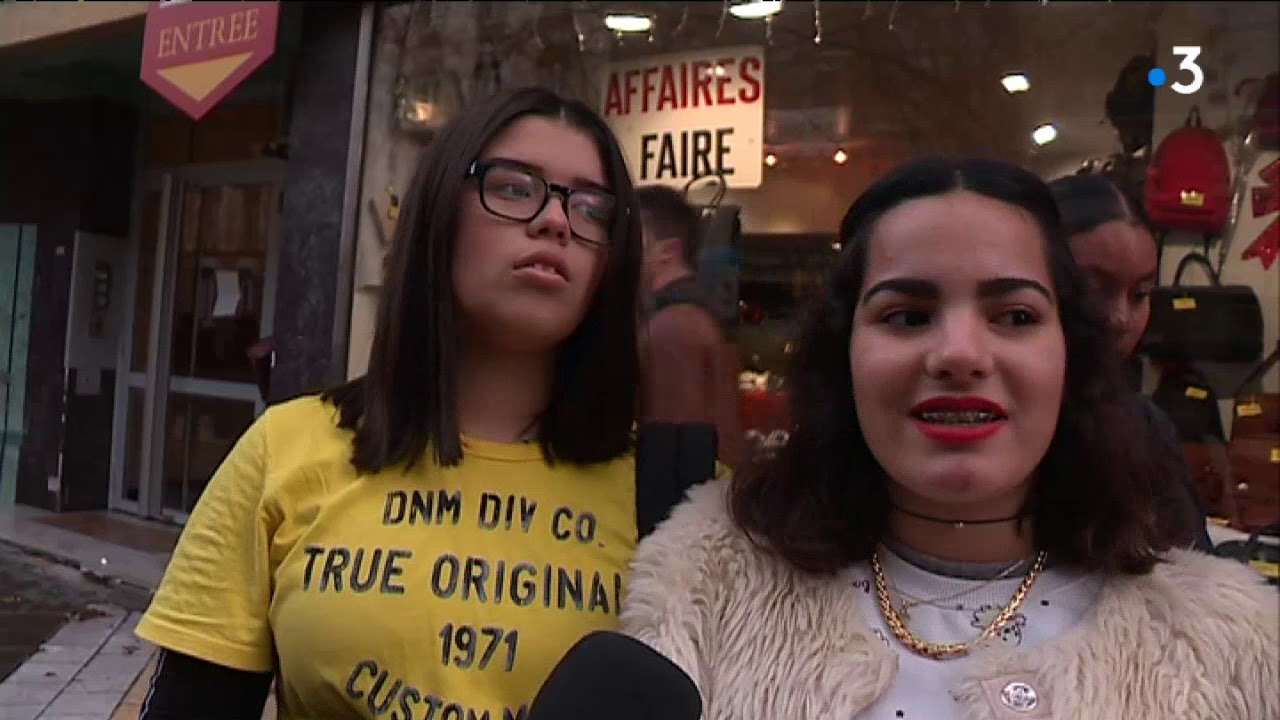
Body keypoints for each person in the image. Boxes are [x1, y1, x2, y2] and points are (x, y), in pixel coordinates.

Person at [620, 158, 1277, 719]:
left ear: (1071, 356)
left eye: (1015, 315)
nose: (959, 353)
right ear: (841, 352)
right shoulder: (702, 589)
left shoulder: (1235, 649)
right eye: (908, 315)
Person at [135, 87, 646, 720]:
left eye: (593, 207)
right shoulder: (286, 448)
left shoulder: (674, 500)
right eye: (515, 187)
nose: (556, 221)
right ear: (438, 215)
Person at [1049, 173, 1213, 552]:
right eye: (1093, 289)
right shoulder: (988, 414)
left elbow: (1195, 576)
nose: (1120, 317)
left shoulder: (1145, 427)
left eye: (1139, 294)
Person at [635, 185, 746, 469]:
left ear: (667, 251)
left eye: (631, 238)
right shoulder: (692, 317)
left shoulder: (674, 326)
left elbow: (673, 460)